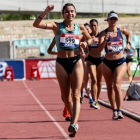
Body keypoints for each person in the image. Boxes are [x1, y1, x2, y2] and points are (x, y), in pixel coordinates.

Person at [33, 3, 92, 137]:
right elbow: (36, 25)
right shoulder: (57, 26)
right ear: (63, 14)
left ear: (75, 13)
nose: (69, 14)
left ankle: (73, 122)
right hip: (61, 62)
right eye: (67, 12)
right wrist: (46, 12)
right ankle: (74, 120)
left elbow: (92, 39)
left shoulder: (80, 27)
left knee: (76, 94)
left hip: (76, 61)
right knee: (66, 97)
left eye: (72, 11)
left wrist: (86, 43)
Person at [98, 11, 131, 120]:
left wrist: (128, 43)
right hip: (107, 63)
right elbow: (99, 49)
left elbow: (129, 34)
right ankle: (114, 110)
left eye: (115, 19)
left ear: (117, 21)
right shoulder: (103, 33)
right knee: (109, 87)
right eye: (111, 19)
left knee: (117, 85)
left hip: (120, 62)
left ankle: (120, 110)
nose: (113, 21)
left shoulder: (121, 31)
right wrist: (105, 40)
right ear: (107, 20)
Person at [47, 37, 71, 121]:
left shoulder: (75, 34)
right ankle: (67, 107)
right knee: (64, 95)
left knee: (72, 92)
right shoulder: (57, 37)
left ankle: (70, 113)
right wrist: (57, 52)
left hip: (74, 63)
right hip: (61, 63)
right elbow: (49, 50)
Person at [86, 19, 104, 109]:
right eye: (91, 25)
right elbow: (80, 44)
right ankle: (94, 100)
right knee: (94, 79)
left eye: (94, 25)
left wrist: (98, 40)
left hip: (100, 59)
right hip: (91, 59)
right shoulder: (87, 36)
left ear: (97, 26)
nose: (93, 27)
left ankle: (97, 99)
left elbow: (105, 44)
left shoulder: (101, 35)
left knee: (99, 81)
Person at [80, 23, 93, 104]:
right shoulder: (81, 38)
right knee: (85, 80)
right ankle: (90, 97)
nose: (87, 30)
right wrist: (83, 52)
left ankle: (82, 92)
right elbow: (79, 49)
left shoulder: (93, 38)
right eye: (85, 29)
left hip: (92, 61)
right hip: (83, 61)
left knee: (87, 80)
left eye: (88, 29)